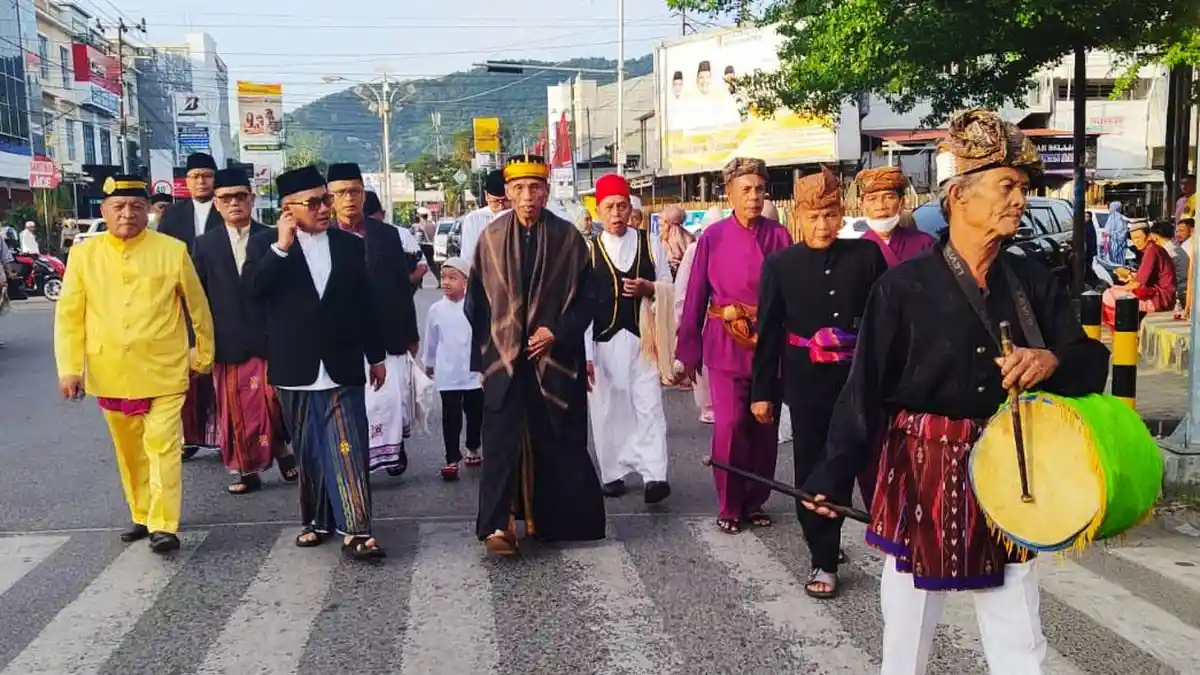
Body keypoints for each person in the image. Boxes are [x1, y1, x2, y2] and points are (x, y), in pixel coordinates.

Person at [799, 109, 1111, 675]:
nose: (1019, 200)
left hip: (1012, 469)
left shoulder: (1033, 282)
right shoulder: (903, 288)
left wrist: (1050, 360)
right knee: (908, 625)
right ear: (959, 196)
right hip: (923, 464)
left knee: (1018, 623)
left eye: (1023, 188)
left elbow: (1092, 366)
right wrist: (829, 477)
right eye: (1006, 186)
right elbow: (863, 389)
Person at [55, 174, 215, 553]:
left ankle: (164, 524)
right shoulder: (83, 255)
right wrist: (70, 368)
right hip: (109, 372)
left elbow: (198, 308)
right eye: (119, 207)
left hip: (164, 370)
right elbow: (70, 315)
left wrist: (204, 354)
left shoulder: (171, 250)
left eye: (136, 207)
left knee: (162, 448)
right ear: (104, 212)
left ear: (148, 212)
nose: (127, 214)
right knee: (129, 452)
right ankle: (142, 513)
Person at [751, 166, 888, 598]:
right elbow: (769, 333)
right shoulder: (780, 265)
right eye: (813, 217)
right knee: (812, 467)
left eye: (830, 215)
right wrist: (763, 394)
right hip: (805, 383)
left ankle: (869, 539)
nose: (823, 225)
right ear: (798, 218)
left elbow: (887, 322)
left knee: (856, 461)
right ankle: (822, 558)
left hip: (857, 381)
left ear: (842, 213)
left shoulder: (865, 257)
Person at [243, 165, 388, 560]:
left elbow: (365, 307)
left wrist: (376, 356)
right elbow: (253, 293)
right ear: (288, 210)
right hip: (296, 366)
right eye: (315, 202)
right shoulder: (263, 247)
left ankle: (357, 529)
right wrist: (281, 247)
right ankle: (316, 521)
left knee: (348, 446)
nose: (327, 208)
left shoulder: (349, 246)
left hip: (342, 362)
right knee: (307, 451)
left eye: (327, 199)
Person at [466, 154, 605, 556]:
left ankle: (552, 521)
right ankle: (498, 526)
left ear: (546, 191)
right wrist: (483, 361)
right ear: (507, 193)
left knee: (555, 437)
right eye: (519, 189)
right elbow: (477, 304)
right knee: (500, 441)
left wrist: (555, 332)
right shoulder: (490, 238)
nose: (527, 197)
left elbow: (588, 300)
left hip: (554, 358)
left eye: (535, 188)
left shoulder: (568, 239)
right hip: (504, 360)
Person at [676, 157, 792, 535]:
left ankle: (756, 500)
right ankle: (729, 504)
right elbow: (695, 295)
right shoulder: (712, 237)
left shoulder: (779, 235)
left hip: (769, 344)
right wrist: (687, 351)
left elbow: (793, 296)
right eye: (746, 189)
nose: (754, 197)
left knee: (763, 427)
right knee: (728, 425)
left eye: (760, 189)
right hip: (725, 342)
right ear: (729, 194)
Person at [192, 168, 297, 495]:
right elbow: (196, 298)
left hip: (269, 339)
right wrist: (197, 343)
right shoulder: (204, 245)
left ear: (252, 199)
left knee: (271, 403)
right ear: (217, 204)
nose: (234, 203)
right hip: (227, 341)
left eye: (241, 196)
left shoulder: (273, 237)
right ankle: (246, 469)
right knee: (236, 410)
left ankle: (281, 450)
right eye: (226, 198)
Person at [327, 163, 421, 477]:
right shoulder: (321, 236)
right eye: (340, 193)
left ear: (363, 195)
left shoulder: (386, 235)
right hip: (342, 337)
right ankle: (358, 460)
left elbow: (401, 285)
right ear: (330, 198)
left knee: (388, 401)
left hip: (385, 332)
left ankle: (392, 449)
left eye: (354, 191)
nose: (348, 198)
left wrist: (411, 332)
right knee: (354, 406)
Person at [584, 173, 672, 504]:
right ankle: (612, 472)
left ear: (630, 206)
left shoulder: (650, 245)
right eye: (609, 207)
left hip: (644, 341)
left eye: (622, 206)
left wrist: (650, 289)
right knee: (609, 407)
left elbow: (669, 286)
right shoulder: (588, 251)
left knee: (649, 405)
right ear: (598, 210)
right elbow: (582, 306)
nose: (617, 214)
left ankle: (654, 475)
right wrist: (585, 355)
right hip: (603, 341)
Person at [159, 152, 223, 458]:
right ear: (187, 181)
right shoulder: (172, 216)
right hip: (182, 307)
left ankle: (228, 435)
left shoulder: (227, 208)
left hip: (222, 302)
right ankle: (191, 437)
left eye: (207, 176)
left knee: (222, 373)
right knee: (187, 374)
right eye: (195, 176)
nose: (201, 181)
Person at [423, 256, 484, 479]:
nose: (446, 282)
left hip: (473, 373)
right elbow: (431, 339)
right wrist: (428, 363)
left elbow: (483, 338)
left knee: (475, 413)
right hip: (447, 372)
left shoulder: (476, 307)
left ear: (466, 281)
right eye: (443, 278)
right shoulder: (436, 310)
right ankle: (451, 458)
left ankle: (473, 446)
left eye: (453, 278)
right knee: (451, 416)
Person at [674, 206, 722, 425]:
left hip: (722, 317)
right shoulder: (694, 249)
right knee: (701, 361)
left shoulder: (726, 247)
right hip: (701, 315)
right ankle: (708, 405)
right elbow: (683, 288)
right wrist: (681, 320)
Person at [854, 166, 934, 266]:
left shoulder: (925, 244)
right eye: (872, 199)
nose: (881, 206)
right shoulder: (855, 252)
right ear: (862, 206)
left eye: (889, 198)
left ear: (902, 203)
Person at [1102, 219, 1176, 325]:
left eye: (1138, 238)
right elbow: (1144, 277)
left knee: (1109, 295)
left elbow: (1138, 284)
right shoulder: (1152, 249)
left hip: (1160, 298)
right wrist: (1130, 276)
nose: (1135, 242)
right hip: (1156, 294)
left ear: (1149, 236)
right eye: (1133, 239)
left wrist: (1121, 287)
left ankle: (1123, 331)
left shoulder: (1152, 250)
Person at [365, 191, 428, 293]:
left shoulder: (400, 234)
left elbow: (422, 265)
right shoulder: (350, 237)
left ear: (383, 214)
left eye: (374, 221)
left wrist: (406, 281)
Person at [460, 169, 510, 265]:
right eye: (496, 201)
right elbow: (468, 257)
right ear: (486, 196)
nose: (501, 207)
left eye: (505, 201)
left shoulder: (519, 217)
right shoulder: (473, 219)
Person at [1149, 219, 1188, 306]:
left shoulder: (1165, 251)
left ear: (1155, 236)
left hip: (1177, 292)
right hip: (1183, 287)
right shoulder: (1176, 247)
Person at [658, 205, 694, 278]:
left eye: (661, 225)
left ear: (669, 225)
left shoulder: (668, 242)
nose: (659, 229)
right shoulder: (690, 238)